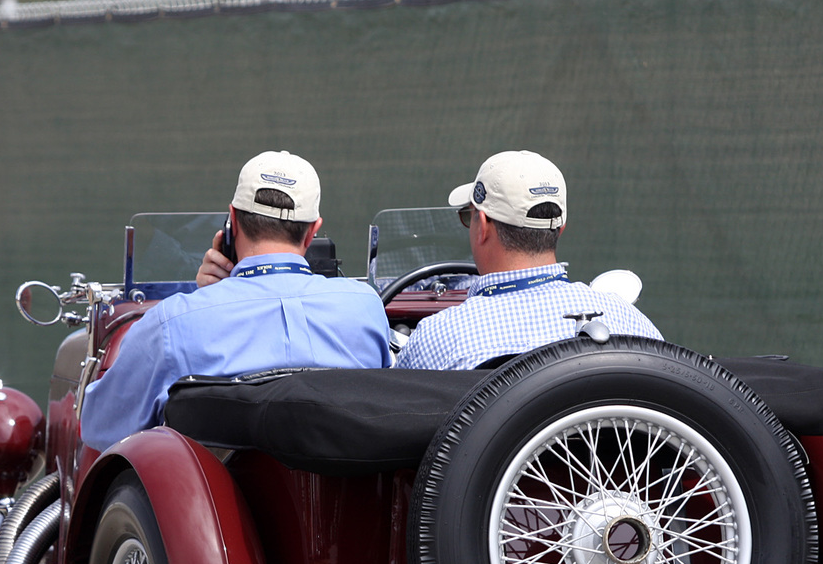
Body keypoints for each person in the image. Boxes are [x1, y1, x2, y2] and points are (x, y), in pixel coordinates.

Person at [81, 151, 390, 451]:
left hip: (208, 502)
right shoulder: (366, 308)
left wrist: (205, 296)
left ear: (233, 221)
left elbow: (99, 426)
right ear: (312, 232)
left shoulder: (172, 322)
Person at [394, 150, 662, 371]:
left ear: (483, 226)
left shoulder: (439, 337)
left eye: (469, 216)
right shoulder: (632, 325)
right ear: (560, 227)